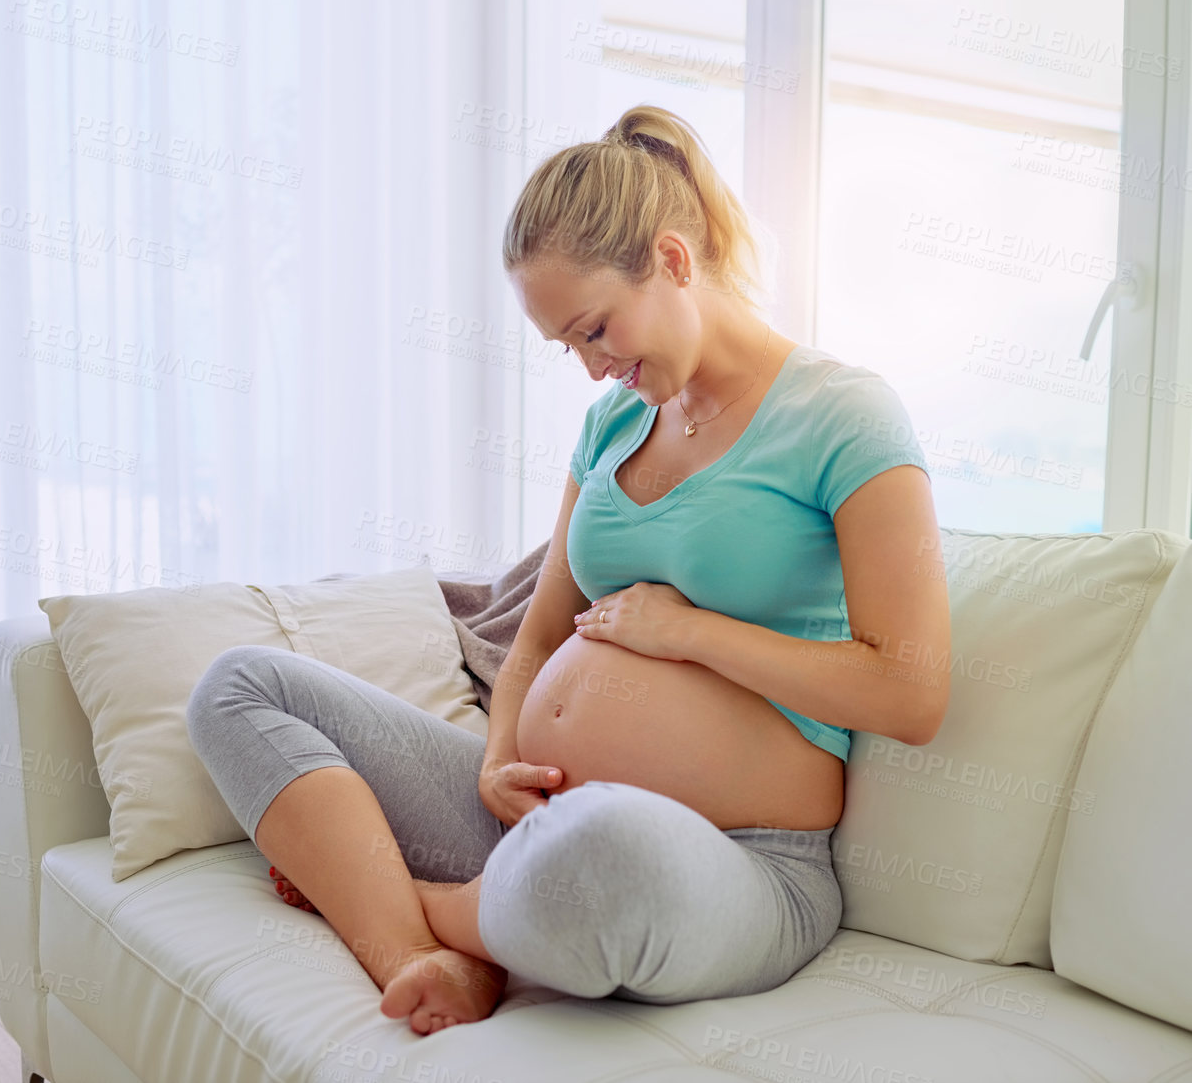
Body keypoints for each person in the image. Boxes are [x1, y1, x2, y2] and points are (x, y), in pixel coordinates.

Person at [186, 104, 951, 1037]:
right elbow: (540, 640)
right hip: (535, 818)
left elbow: (910, 691)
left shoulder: (844, 416)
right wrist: (502, 753)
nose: (592, 370)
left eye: (595, 331)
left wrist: (691, 632)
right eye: (569, 348)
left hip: (732, 861)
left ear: (671, 262)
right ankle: (430, 956)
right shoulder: (611, 426)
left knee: (600, 856)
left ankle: (417, 904)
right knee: (238, 686)